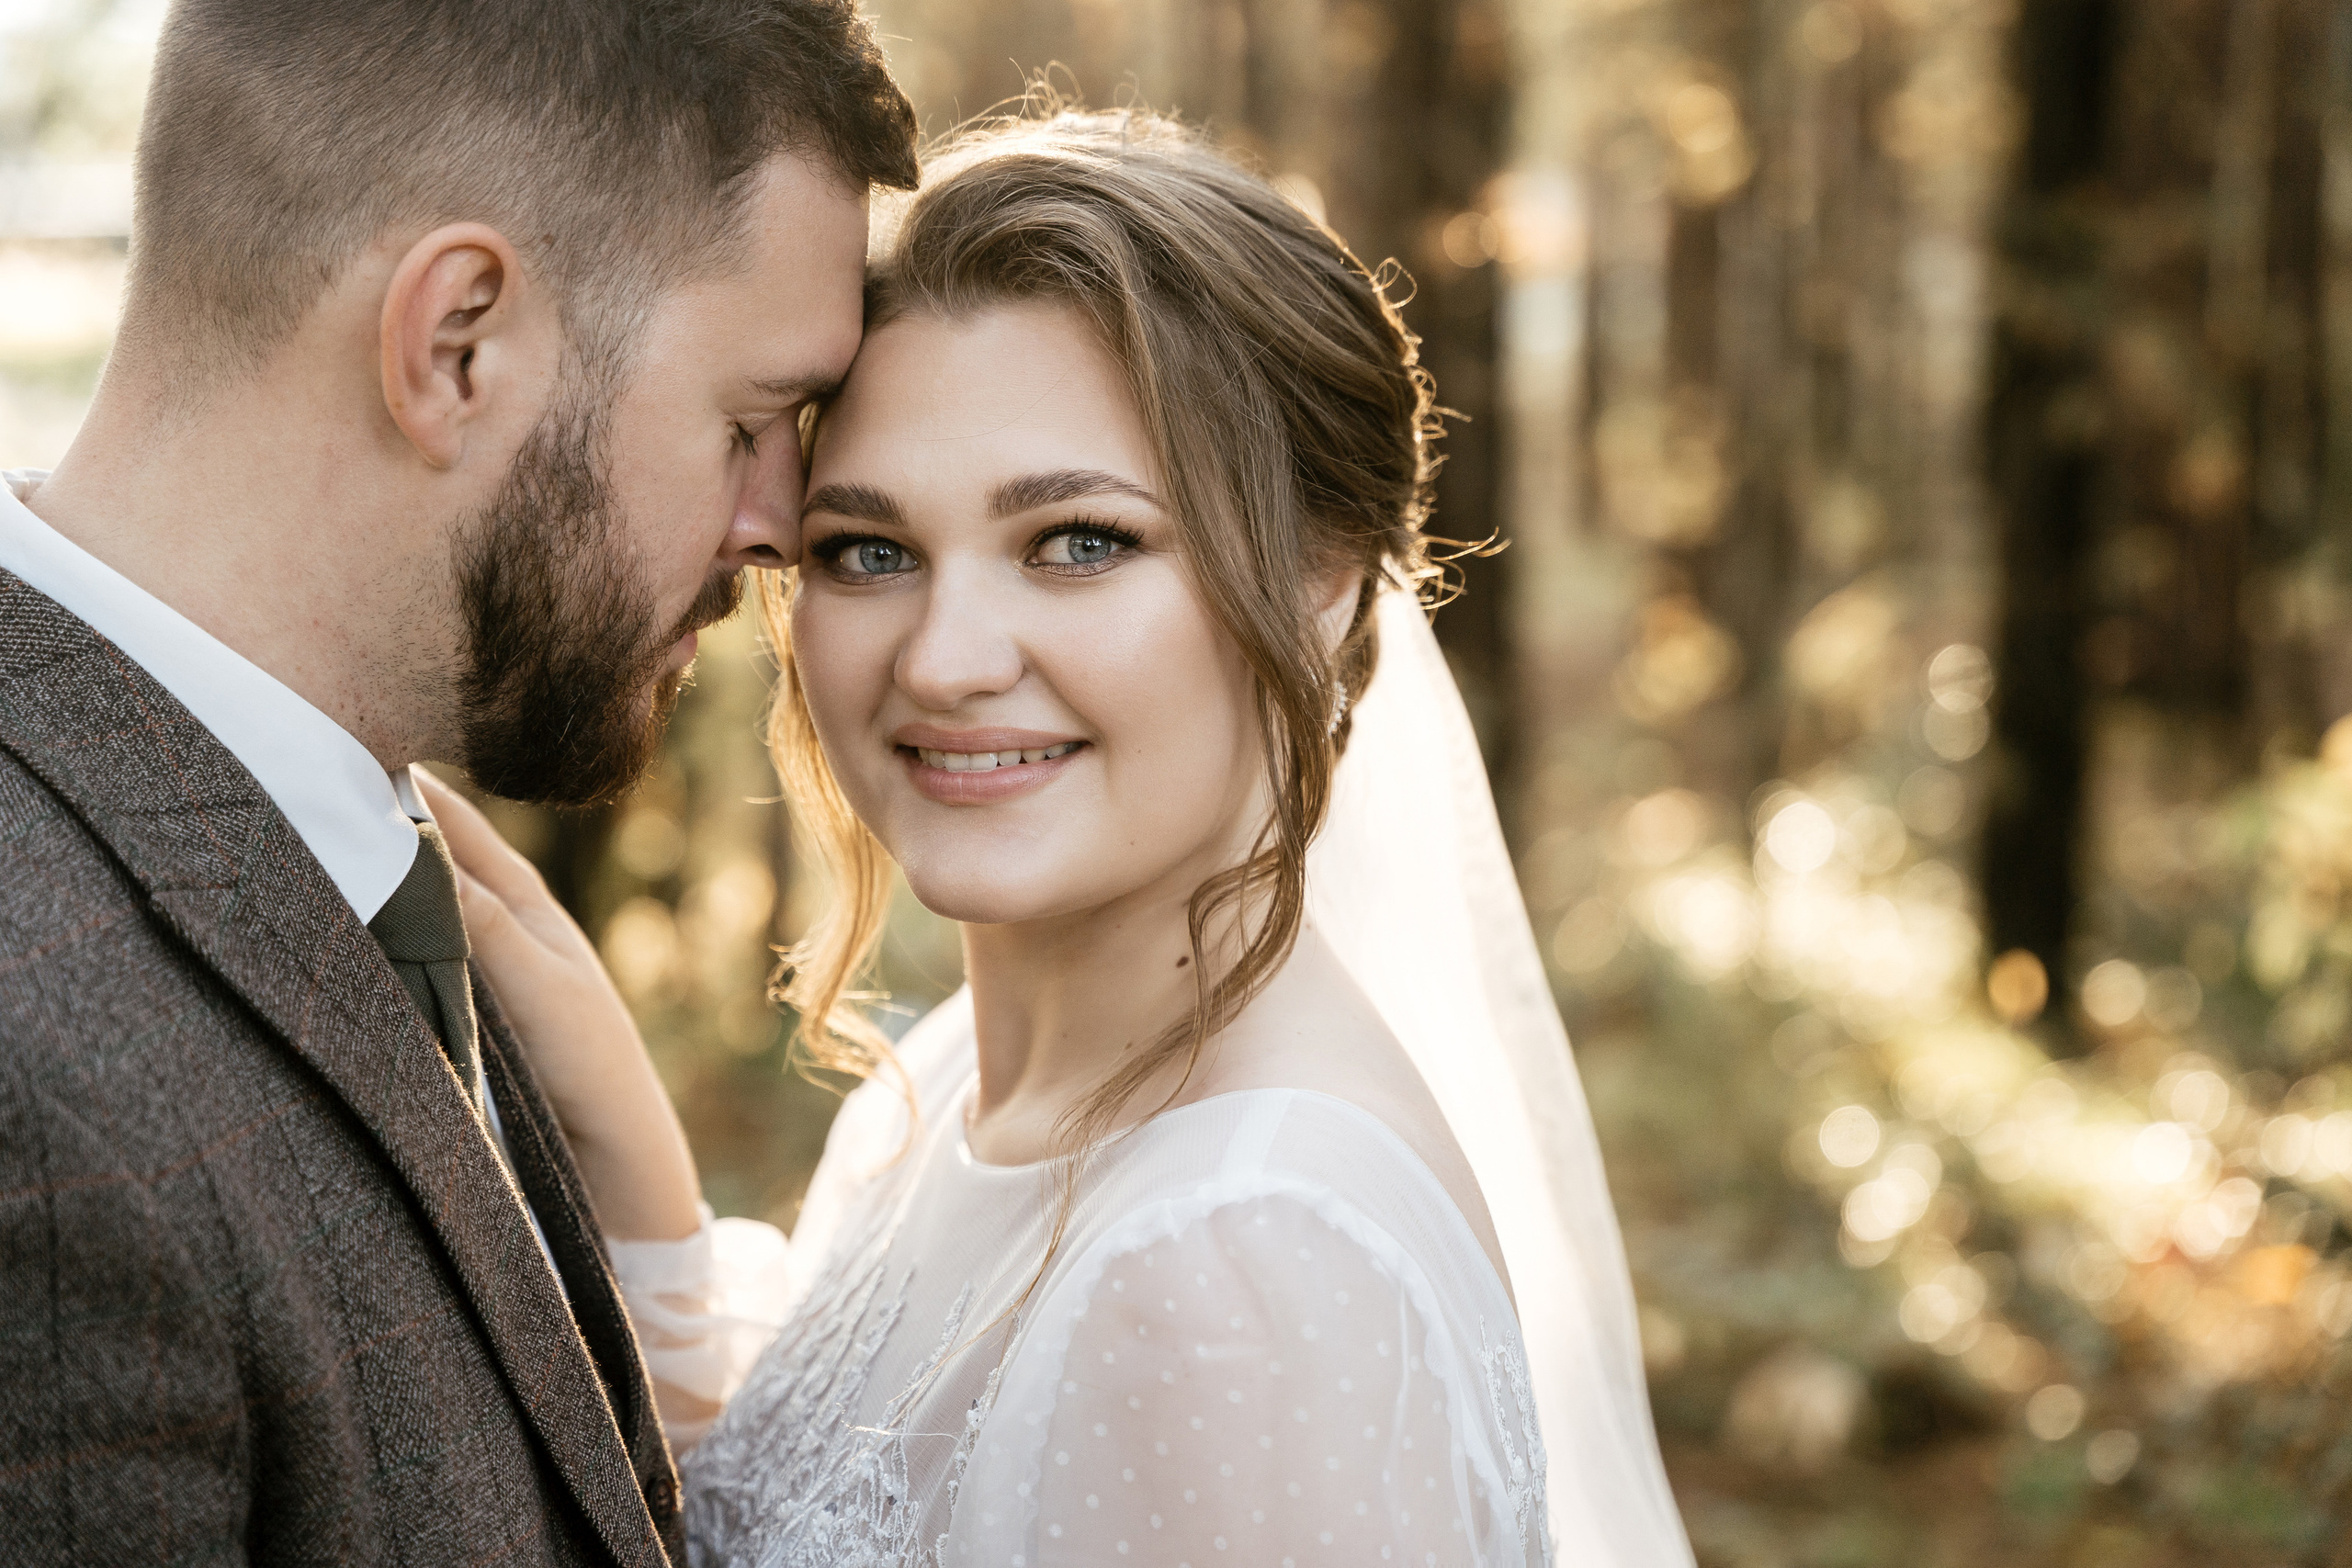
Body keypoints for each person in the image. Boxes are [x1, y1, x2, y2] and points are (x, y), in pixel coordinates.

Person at [437, 107, 1695, 1566]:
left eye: (1079, 543)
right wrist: (642, 1194)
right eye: (869, 552)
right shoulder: (942, 1087)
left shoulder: (1244, 1265)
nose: (945, 659)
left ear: (1324, 580)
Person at [0, 3, 914, 1563]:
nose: (781, 525)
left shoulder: (340, 845)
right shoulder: (36, 1087)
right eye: (751, 421)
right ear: (458, 344)